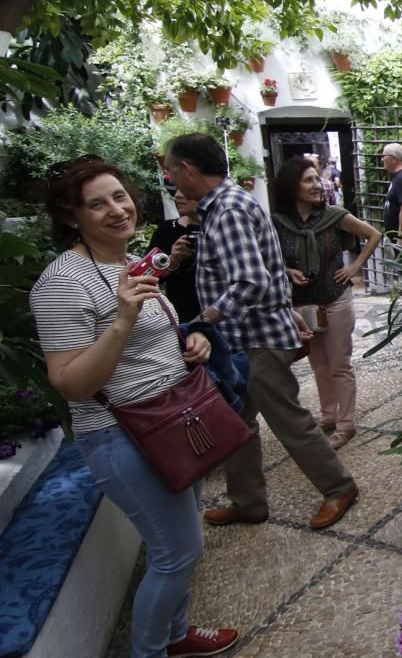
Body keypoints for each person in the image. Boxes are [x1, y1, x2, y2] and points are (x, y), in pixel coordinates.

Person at [29, 157, 239, 658]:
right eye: (96, 204)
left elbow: (149, 339)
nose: (116, 209)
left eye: (120, 196)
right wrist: (123, 319)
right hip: (120, 435)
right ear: (70, 215)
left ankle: (176, 634)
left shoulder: (123, 261)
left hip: (171, 419)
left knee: (179, 552)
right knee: (177, 553)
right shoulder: (62, 282)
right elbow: (70, 383)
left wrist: (189, 342)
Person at [163, 134, 358, 530]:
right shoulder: (222, 206)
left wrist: (205, 322)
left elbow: (250, 280)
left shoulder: (229, 209)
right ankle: (248, 502)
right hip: (243, 338)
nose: (168, 177)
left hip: (258, 339)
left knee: (287, 419)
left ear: (187, 168)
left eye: (169, 168)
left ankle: (339, 487)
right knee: (237, 421)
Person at [271, 156, 382, 449]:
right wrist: (287, 271)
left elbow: (373, 234)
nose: (317, 185)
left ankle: (346, 425)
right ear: (291, 186)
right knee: (319, 365)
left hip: (335, 299)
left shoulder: (334, 215)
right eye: (308, 180)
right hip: (303, 306)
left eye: (317, 179)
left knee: (339, 365)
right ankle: (328, 415)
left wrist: (355, 267)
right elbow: (268, 260)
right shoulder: (279, 224)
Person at [147, 189, 202, 322]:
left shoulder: (224, 228)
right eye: (176, 189)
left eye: (185, 189)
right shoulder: (167, 230)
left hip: (223, 320)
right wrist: (172, 259)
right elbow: (147, 277)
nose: (178, 195)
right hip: (182, 319)